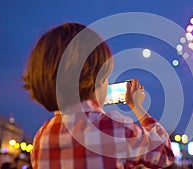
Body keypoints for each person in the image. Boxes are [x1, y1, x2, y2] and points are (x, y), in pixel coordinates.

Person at [23, 22, 174, 169]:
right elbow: (164, 154)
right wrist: (137, 106)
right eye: (106, 77)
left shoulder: (41, 138)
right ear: (97, 80)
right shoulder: (116, 129)